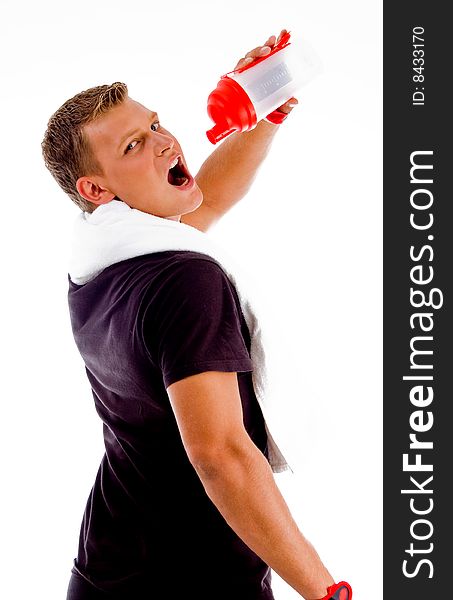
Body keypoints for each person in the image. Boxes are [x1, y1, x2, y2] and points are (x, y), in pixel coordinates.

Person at [42, 30, 350, 600]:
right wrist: (326, 591)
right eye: (133, 145)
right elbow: (221, 455)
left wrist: (263, 119)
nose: (163, 143)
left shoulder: (99, 258)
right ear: (96, 187)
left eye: (155, 125)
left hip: (108, 565)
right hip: (189, 578)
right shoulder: (184, 281)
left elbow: (201, 202)